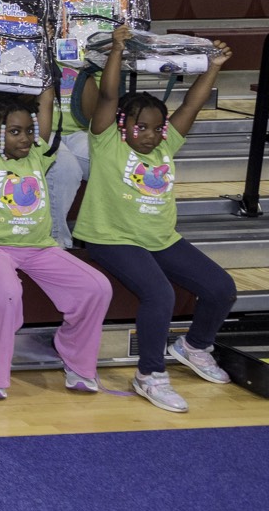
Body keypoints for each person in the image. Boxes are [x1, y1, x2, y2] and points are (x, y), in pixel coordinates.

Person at [74, 25, 237, 413]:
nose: (148, 135)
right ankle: (150, 374)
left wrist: (213, 67)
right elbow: (110, 94)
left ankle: (194, 347)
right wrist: (116, 49)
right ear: (121, 125)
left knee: (221, 288)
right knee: (159, 293)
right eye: (139, 127)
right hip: (111, 237)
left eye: (154, 127)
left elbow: (190, 107)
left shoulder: (166, 144)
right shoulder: (106, 139)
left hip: (160, 238)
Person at [0, 56, 111, 399]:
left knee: (97, 287)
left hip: (40, 247)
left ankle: (77, 362)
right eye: (15, 132)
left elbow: (47, 102)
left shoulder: (38, 153)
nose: (25, 138)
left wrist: (46, 55)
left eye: (28, 131)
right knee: (8, 292)